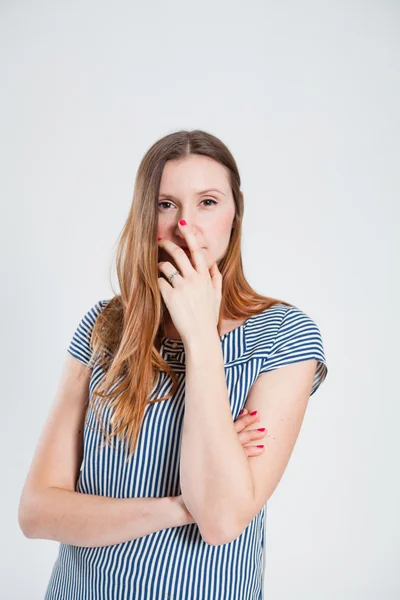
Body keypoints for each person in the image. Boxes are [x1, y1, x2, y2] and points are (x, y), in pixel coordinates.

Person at [18, 129, 328, 599]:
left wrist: (201, 336)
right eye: (166, 205)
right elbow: (37, 512)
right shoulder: (103, 327)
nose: (187, 224)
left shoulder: (285, 336)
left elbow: (222, 520)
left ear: (234, 211)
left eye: (207, 201)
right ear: (146, 215)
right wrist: (179, 507)